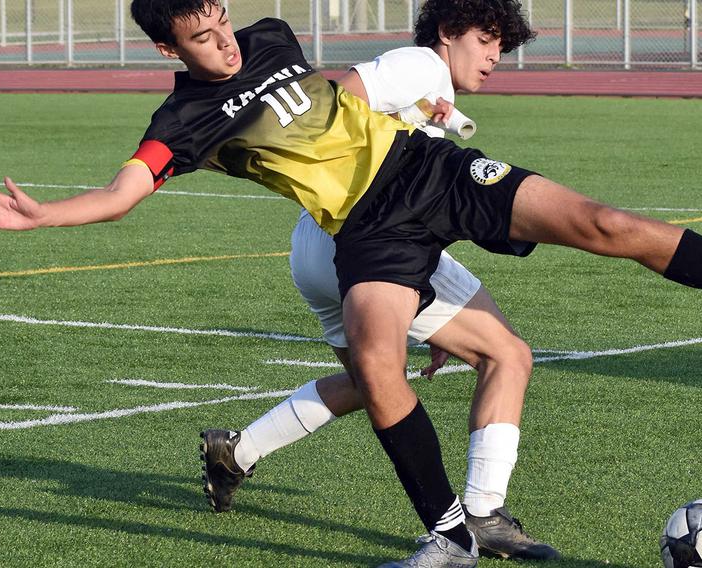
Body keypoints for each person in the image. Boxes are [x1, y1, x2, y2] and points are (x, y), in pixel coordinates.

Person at [0, 1, 702, 566]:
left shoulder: (270, 36)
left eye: (219, 21)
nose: (219, 40)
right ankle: (451, 537)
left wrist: (426, 109)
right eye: (197, 37)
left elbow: (332, 91)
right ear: (163, 45)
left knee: (606, 225)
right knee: (379, 373)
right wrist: (46, 214)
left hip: (431, 172)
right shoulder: (181, 119)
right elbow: (122, 191)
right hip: (366, 232)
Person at [198, 0, 560, 561]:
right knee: (506, 357)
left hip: (318, 246)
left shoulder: (428, 86)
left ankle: (238, 452)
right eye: (486, 39)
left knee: (379, 386)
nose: (494, 56)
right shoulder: (422, 66)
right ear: (447, 32)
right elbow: (336, 105)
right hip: (367, 244)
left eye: (500, 47)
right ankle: (481, 514)